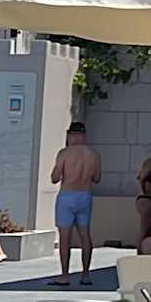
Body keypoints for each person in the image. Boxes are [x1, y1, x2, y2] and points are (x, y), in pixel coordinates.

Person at [48, 123, 102, 286]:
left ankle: (65, 275)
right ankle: (85, 275)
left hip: (67, 195)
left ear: (71, 135)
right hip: (84, 195)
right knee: (85, 235)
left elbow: (55, 178)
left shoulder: (65, 153)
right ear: (84, 135)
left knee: (65, 238)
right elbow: (97, 178)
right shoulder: (94, 154)